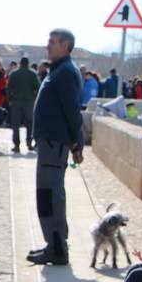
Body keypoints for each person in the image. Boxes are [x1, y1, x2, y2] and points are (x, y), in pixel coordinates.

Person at [27, 29, 83, 265]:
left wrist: (77, 143)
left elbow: (72, 111)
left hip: (54, 143)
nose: (47, 46)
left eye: (52, 42)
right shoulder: (60, 70)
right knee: (49, 194)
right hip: (50, 143)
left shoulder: (66, 72)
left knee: (50, 195)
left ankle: (57, 247)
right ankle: (54, 243)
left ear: (65, 45)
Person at [6, 56, 40, 152]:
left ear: (20, 63)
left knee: (15, 124)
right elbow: (38, 87)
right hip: (29, 102)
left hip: (16, 102)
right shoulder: (33, 74)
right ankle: (29, 143)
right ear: (28, 63)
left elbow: (8, 88)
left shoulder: (14, 73)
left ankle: (16, 145)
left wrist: (10, 99)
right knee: (30, 123)